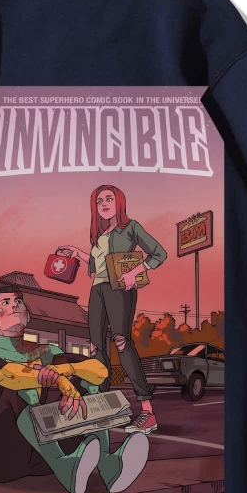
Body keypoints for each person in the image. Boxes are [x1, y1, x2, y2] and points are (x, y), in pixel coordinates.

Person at [0, 285, 150, 493]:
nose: (14, 305)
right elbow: (9, 375)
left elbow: (99, 370)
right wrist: (60, 381)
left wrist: (66, 371)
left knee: (88, 383)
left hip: (38, 454)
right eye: (5, 303)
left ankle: (109, 465)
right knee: (20, 389)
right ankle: (64, 465)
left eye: (18, 301)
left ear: (27, 315)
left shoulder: (46, 351)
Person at [58, 184, 167, 434]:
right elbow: (98, 265)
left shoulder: (131, 227)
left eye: (109, 199)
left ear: (119, 202)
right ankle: (101, 405)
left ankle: (147, 412)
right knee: (96, 347)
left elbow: (159, 253)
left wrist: (135, 272)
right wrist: (77, 253)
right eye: (99, 201)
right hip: (97, 290)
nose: (104, 204)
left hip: (119, 289)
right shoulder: (98, 235)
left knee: (121, 342)